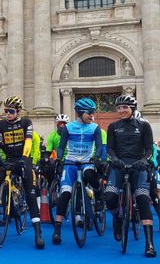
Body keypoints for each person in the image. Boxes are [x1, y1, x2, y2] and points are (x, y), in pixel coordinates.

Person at [105, 95, 157, 257]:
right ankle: (118, 219)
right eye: (119, 108)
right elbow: (110, 149)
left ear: (132, 109)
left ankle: (149, 244)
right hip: (119, 165)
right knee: (110, 196)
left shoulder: (143, 126)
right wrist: (114, 159)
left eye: (125, 107)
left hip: (138, 166)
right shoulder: (113, 126)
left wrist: (144, 160)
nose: (121, 110)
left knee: (142, 199)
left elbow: (149, 149)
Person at [0, 96, 45, 249]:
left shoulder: (26, 123)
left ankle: (38, 233)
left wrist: (24, 157)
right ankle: (11, 209)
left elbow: (28, 141)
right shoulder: (0, 124)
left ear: (18, 111)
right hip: (8, 159)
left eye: (11, 111)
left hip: (23, 160)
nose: (8, 114)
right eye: (6, 111)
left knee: (31, 195)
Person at [52, 98, 102, 245]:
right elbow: (61, 146)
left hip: (87, 162)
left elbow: (99, 146)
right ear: (80, 113)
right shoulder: (69, 128)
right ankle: (57, 230)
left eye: (93, 113)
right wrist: (60, 158)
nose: (92, 116)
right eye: (90, 113)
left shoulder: (95, 128)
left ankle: (98, 195)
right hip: (71, 163)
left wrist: (96, 157)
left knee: (89, 174)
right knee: (65, 195)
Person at [134, 111, 160, 233]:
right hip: (133, 168)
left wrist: (150, 162)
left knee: (154, 191)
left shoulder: (149, 141)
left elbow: (153, 156)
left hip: (148, 168)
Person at [43, 114, 70, 185]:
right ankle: (51, 186)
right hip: (59, 159)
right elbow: (48, 151)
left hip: (70, 159)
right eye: (60, 123)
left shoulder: (71, 134)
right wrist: (46, 158)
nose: (62, 125)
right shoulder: (52, 135)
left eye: (64, 123)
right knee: (49, 169)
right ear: (57, 124)